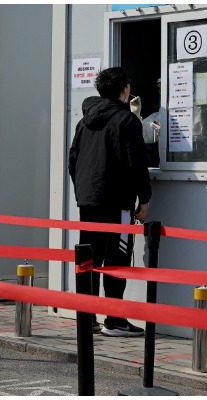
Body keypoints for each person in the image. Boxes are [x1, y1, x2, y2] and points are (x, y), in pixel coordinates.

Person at [68, 67, 151, 338]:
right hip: (116, 202)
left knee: (90, 257)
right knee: (117, 257)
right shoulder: (126, 121)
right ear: (125, 90)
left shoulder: (84, 122)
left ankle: (88, 316)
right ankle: (114, 320)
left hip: (88, 200)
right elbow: (137, 164)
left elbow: (73, 161)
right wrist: (145, 199)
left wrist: (83, 191)